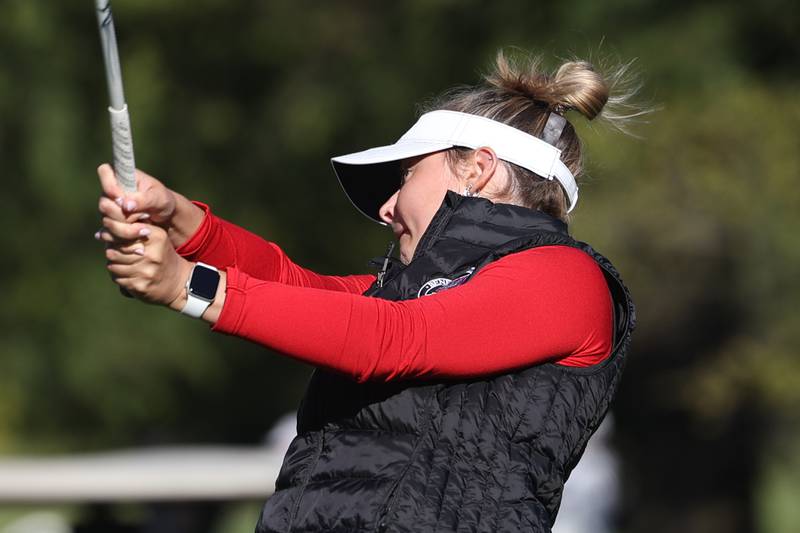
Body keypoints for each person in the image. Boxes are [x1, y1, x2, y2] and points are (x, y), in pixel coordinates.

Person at [95, 51, 637, 533]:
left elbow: (391, 341)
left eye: (405, 176)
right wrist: (182, 222)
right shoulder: (412, 291)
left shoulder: (565, 278)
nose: (386, 207)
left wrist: (186, 284)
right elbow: (295, 288)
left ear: (479, 168)